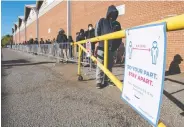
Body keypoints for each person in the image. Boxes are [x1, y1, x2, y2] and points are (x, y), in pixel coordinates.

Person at [95, 5, 121, 89]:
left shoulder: (117, 24)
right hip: (102, 47)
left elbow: (119, 36)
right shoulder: (102, 21)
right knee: (100, 64)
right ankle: (99, 81)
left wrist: (116, 47)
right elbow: (97, 32)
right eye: (112, 13)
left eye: (115, 13)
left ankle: (108, 80)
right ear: (109, 13)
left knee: (110, 65)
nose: (113, 15)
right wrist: (100, 41)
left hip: (112, 48)